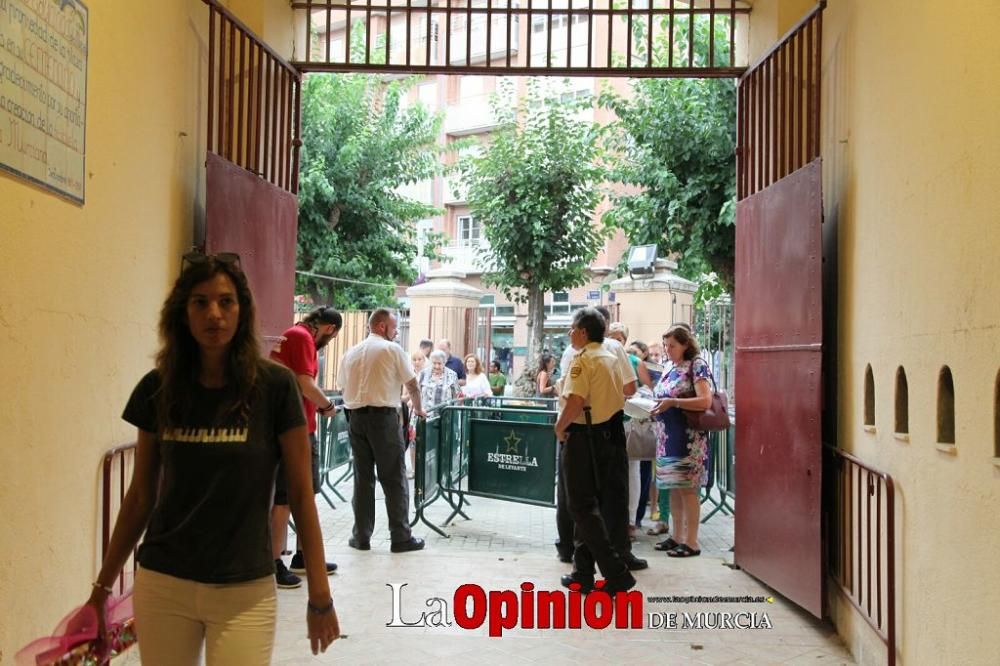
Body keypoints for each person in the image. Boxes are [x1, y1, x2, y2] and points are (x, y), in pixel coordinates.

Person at [85, 252, 339, 664]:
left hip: (244, 588)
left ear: (242, 311)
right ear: (182, 314)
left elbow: (301, 494)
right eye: (200, 302)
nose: (214, 313)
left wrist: (320, 597)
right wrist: (100, 592)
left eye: (226, 301)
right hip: (165, 582)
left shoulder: (274, 387)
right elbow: (139, 497)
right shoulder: (158, 388)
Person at [554, 308, 636, 596]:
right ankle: (583, 572)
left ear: (584, 331)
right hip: (610, 435)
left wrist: (559, 426)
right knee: (593, 505)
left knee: (581, 507)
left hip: (583, 437)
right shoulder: (612, 356)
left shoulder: (583, 360)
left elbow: (575, 400)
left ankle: (616, 573)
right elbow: (629, 388)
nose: (569, 333)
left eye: (572, 328)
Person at [339, 308, 426, 553]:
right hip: (384, 419)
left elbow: (342, 387)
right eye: (394, 327)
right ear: (380, 326)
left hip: (356, 418)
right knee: (394, 478)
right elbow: (411, 383)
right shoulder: (392, 350)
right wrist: (418, 409)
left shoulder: (350, 353)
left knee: (362, 479)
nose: (396, 331)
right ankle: (400, 537)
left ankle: (361, 536)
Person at [269, 307, 342, 589]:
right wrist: (327, 405)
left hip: (298, 427)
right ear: (330, 329)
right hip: (293, 430)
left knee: (304, 495)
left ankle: (303, 556)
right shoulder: (302, 338)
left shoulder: (295, 335)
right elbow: (305, 383)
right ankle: (276, 563)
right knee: (286, 498)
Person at [649, 324, 714, 557]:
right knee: (673, 488)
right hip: (667, 436)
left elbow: (705, 401)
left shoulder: (696, 365)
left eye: (672, 346)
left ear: (686, 344)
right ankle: (676, 536)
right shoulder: (669, 366)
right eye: (665, 346)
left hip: (688, 439)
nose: (668, 350)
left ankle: (692, 541)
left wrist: (674, 403)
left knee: (687, 489)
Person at [405, 351, 427, 479]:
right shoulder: (408, 375)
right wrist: (408, 398)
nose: (417, 362)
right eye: (414, 359)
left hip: (425, 411)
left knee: (425, 441)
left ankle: (425, 468)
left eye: (420, 359)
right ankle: (414, 469)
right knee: (413, 442)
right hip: (413, 412)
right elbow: (404, 395)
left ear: (424, 361)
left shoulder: (428, 375)